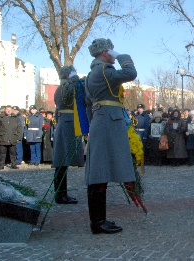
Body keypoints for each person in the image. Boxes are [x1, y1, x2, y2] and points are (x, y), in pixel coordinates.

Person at [85, 38, 137, 234]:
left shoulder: (92, 73)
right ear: (105, 53)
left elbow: (89, 104)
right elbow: (131, 73)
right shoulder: (104, 70)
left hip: (101, 120)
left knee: (100, 173)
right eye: (111, 51)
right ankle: (98, 223)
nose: (113, 54)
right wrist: (121, 56)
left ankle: (99, 220)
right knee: (99, 174)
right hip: (108, 121)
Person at [52, 65, 85, 204]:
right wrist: (76, 80)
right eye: (73, 73)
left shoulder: (64, 86)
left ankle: (61, 193)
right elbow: (68, 97)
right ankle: (60, 194)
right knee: (62, 160)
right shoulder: (65, 86)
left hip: (68, 123)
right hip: (68, 124)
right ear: (67, 75)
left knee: (62, 160)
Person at [0, 105, 22, 170]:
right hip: (3, 137)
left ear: (12, 110)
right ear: (5, 110)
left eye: (10, 110)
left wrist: (18, 137)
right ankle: (1, 165)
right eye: (7, 110)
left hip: (13, 137)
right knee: (2, 153)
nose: (8, 111)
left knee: (13, 153)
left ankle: (14, 164)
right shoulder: (0, 117)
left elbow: (19, 128)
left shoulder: (16, 118)